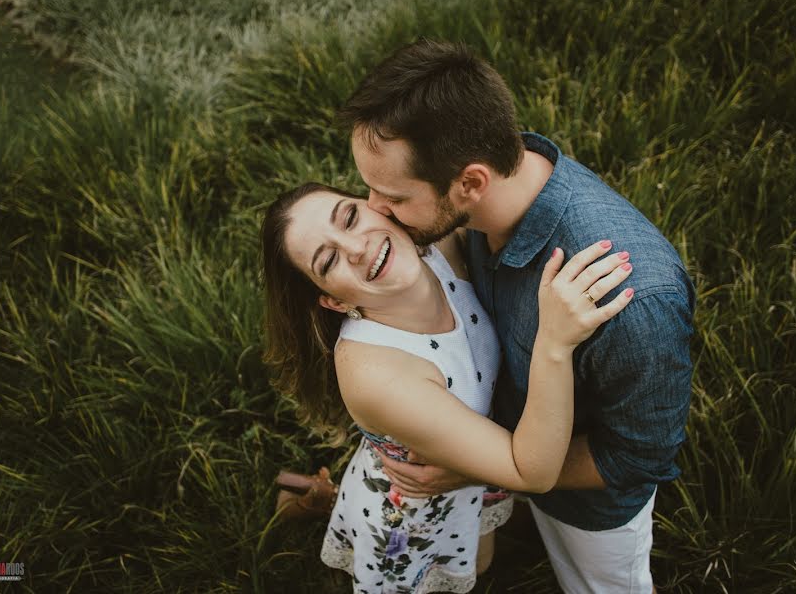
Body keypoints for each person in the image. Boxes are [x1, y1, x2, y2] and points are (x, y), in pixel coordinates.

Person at [337, 39, 695, 593]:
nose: (374, 211)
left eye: (393, 198)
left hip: (587, 512)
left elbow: (638, 457)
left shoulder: (631, 301)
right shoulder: (475, 210)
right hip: (507, 462)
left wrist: (483, 468)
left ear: (471, 182)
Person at [261, 182, 634, 593]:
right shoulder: (376, 375)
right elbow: (533, 472)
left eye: (349, 217)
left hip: (474, 468)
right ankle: (326, 505)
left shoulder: (441, 247)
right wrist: (555, 343)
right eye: (328, 260)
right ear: (331, 300)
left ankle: (321, 498)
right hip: (415, 509)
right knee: (440, 578)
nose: (356, 248)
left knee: (482, 559)